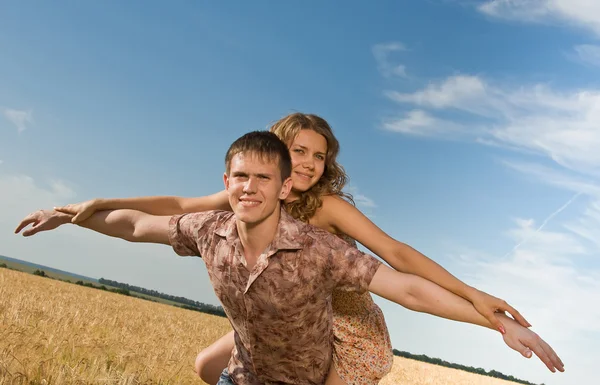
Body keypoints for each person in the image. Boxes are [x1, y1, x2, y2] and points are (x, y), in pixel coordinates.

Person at [15, 131, 564, 385]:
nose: (308, 163)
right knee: (207, 368)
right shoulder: (244, 197)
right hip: (276, 306)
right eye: (298, 151)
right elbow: (167, 211)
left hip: (346, 320)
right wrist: (90, 206)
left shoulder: (326, 213)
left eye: (318, 157)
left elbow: (397, 262)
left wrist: (485, 309)